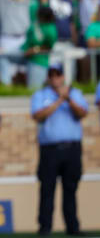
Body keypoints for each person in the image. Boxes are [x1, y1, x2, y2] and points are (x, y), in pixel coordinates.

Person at [31, 65, 88, 236]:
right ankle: (45, 227)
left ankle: (73, 227)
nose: (55, 78)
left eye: (58, 75)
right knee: (47, 188)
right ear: (48, 78)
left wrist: (68, 99)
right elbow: (37, 116)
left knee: (70, 188)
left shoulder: (75, 93)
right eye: (52, 75)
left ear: (63, 76)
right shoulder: (41, 95)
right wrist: (58, 100)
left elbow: (82, 113)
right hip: (50, 149)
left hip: (72, 148)